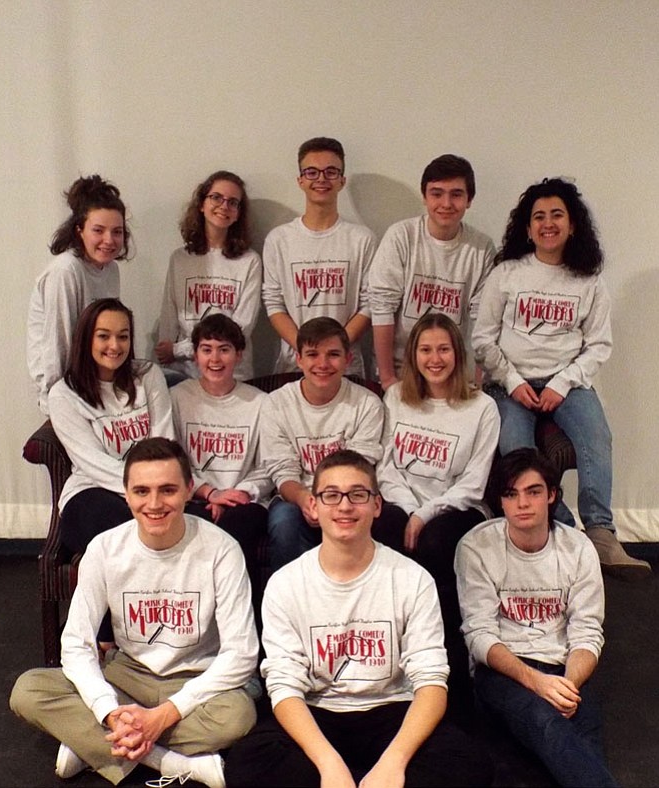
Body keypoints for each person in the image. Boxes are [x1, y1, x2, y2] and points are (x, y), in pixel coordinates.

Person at [224, 449, 493, 788]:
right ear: (314, 506)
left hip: (392, 709)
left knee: (470, 763)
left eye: (358, 494)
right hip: (318, 711)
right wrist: (329, 765)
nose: (345, 506)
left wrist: (394, 763)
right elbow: (283, 685)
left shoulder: (412, 578)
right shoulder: (285, 583)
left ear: (377, 505)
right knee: (248, 764)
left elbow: (431, 682)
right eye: (331, 495)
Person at [10, 437, 259, 788]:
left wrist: (165, 715)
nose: (154, 504)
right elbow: (77, 643)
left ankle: (90, 745)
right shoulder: (105, 548)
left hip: (193, 677)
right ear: (125, 494)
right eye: (141, 491)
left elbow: (241, 654)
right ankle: (165, 761)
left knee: (238, 717)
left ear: (189, 490)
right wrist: (110, 713)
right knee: (28, 690)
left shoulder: (221, 549)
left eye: (168, 490)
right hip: (128, 675)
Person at [472, 177, 650, 578]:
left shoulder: (588, 281)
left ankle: (601, 534)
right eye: (538, 216)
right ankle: (568, 529)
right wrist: (513, 380)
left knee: (597, 438)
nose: (547, 223)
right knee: (517, 450)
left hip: (566, 382)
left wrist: (561, 383)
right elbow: (482, 340)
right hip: (507, 384)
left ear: (572, 225)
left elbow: (598, 346)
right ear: (527, 226)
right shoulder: (507, 274)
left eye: (556, 215)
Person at [455, 448, 619, 787]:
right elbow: (480, 635)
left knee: (584, 739)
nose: (522, 504)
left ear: (552, 496)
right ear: (501, 501)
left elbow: (587, 631)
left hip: (564, 668)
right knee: (546, 725)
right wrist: (537, 683)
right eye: (511, 494)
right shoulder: (476, 547)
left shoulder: (578, 548)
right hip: (503, 670)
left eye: (533, 492)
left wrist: (568, 685)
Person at [374, 312, 500, 719]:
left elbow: (474, 482)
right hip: (402, 503)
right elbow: (385, 467)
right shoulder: (396, 398)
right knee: (380, 531)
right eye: (425, 349)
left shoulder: (482, 407)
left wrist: (426, 514)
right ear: (413, 355)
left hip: (458, 509)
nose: (435, 358)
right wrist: (410, 511)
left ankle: (447, 670)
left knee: (434, 544)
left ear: (457, 354)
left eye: (443, 349)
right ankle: (390, 662)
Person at [49, 298, 174, 558]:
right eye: (104, 336)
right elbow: (92, 463)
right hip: (92, 491)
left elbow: (165, 442)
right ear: (86, 339)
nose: (115, 346)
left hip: (153, 488)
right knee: (127, 531)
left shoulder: (149, 376)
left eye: (123, 336)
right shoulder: (64, 394)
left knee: (194, 523)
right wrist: (143, 492)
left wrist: (155, 491)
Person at [260, 317, 383, 570]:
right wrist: (306, 499)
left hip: (349, 496)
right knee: (284, 523)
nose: (323, 364)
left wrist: (331, 503)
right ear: (299, 359)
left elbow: (358, 471)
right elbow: (282, 471)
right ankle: (290, 603)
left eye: (333, 354)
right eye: (313, 354)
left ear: (348, 359)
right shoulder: (276, 404)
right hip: (297, 497)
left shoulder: (367, 404)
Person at [170, 313, 271, 611]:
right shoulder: (177, 397)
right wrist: (208, 493)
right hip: (194, 498)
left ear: (239, 355)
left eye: (224, 349)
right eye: (206, 349)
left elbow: (268, 466)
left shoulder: (260, 402)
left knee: (239, 529)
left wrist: (238, 494)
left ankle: (244, 624)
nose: (215, 358)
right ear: (195, 354)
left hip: (244, 502)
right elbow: (172, 457)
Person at [370, 154, 495, 390]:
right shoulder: (401, 236)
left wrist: (478, 382)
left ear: (469, 199)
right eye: (437, 194)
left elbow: (483, 322)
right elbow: (381, 307)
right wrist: (387, 378)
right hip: (403, 371)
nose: (446, 204)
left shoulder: (482, 248)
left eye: (456, 194)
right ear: (424, 196)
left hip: (454, 375)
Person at [262, 136, 376, 376]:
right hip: (293, 365)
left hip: (346, 368)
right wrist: (307, 351)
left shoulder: (362, 239)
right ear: (300, 180)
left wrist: (334, 350)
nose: (322, 179)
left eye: (331, 172)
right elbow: (274, 303)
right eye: (312, 172)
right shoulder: (279, 239)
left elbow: (369, 303)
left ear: (342, 180)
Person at [27, 174, 130, 414]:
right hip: (64, 392)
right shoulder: (65, 271)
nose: (109, 240)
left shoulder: (111, 269)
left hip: (94, 384)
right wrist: (56, 406)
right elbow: (58, 345)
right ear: (79, 231)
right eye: (98, 230)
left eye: (117, 232)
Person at [156, 170, 262, 382]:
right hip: (185, 374)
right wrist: (165, 357)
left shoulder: (250, 261)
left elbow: (240, 329)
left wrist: (179, 349)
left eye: (233, 202)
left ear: (238, 213)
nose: (224, 206)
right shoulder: (180, 258)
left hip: (232, 374)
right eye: (216, 198)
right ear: (202, 205)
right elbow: (169, 316)